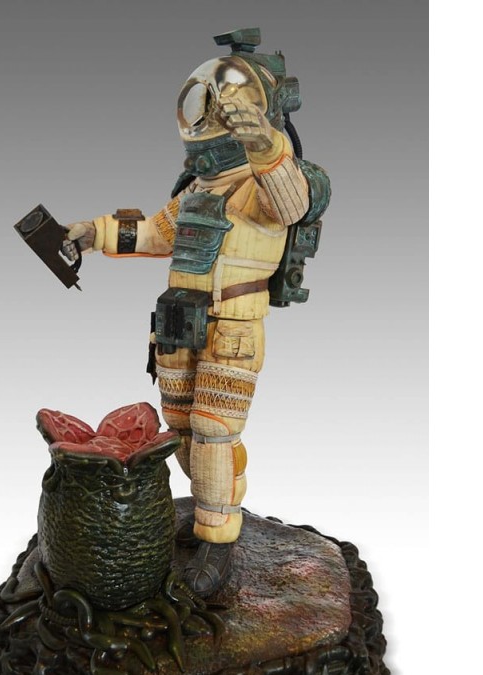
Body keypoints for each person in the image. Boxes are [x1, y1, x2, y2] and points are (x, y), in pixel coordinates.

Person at [63, 29, 328, 597]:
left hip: (232, 328)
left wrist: (265, 144)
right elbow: (154, 233)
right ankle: (212, 512)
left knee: (213, 431)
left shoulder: (263, 185)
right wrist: (92, 233)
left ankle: (218, 542)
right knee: (182, 429)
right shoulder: (198, 190)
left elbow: (292, 203)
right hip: (179, 326)